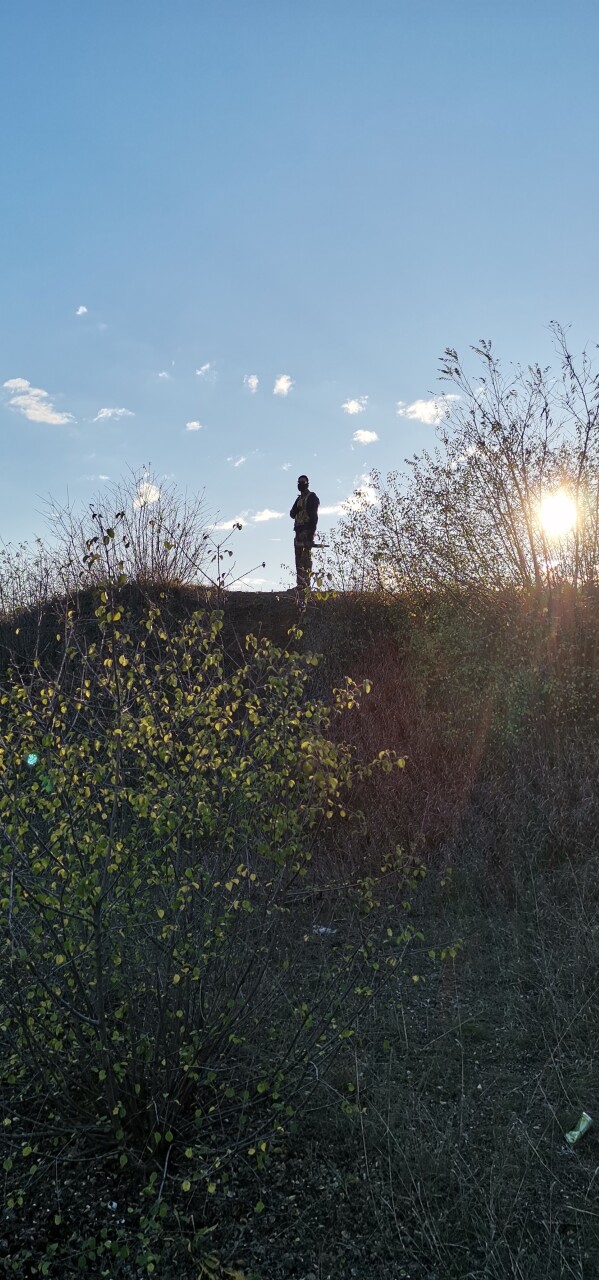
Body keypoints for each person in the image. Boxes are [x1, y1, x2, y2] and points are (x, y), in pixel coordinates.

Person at [290, 474, 319, 595]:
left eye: (303, 482)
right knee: (298, 559)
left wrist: (311, 533)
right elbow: (292, 514)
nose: (300, 484)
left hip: (307, 530)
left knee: (305, 559)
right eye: (299, 482)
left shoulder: (311, 497)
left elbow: (314, 517)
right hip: (298, 530)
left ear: (307, 483)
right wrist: (298, 508)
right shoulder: (299, 499)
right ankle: (300, 585)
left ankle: (306, 585)